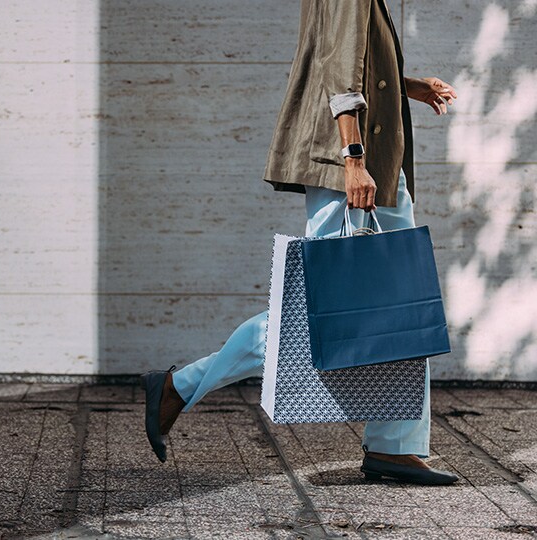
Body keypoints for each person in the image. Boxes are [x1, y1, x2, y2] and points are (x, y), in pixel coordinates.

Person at [140, 0, 460, 485]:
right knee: (321, 309)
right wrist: (352, 158)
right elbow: (336, 67)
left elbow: (351, 60)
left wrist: (404, 85)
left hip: (375, 156)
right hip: (349, 162)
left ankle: (396, 446)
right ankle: (178, 387)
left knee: (400, 300)